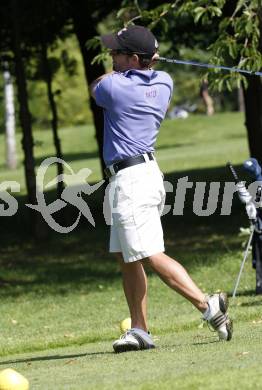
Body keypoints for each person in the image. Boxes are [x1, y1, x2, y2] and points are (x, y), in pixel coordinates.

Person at [90, 25, 233, 353]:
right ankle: (140, 330)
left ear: (135, 58)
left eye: (117, 52)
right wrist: (142, 65)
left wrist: (132, 68)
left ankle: (207, 304)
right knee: (127, 256)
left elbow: (94, 85)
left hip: (131, 181)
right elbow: (146, 74)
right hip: (143, 175)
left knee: (149, 254)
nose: (111, 56)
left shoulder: (114, 88)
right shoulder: (164, 82)